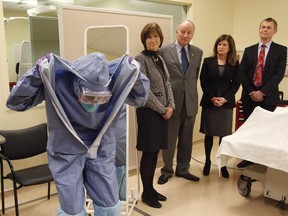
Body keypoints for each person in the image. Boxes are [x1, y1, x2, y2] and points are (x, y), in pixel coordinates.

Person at [6, 52, 150, 216]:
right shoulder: (57, 81)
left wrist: (136, 75)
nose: (93, 103)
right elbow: (16, 103)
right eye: (88, 97)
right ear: (76, 85)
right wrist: (35, 75)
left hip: (100, 149)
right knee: (71, 209)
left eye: (100, 98)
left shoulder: (113, 82)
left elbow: (140, 98)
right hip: (66, 150)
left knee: (109, 204)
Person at [237, 17, 287, 169]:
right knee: (249, 130)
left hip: (268, 98)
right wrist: (252, 91)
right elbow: (242, 73)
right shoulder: (249, 50)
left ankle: (264, 161)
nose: (265, 30)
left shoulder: (281, 50)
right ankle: (248, 158)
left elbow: (278, 74)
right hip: (249, 97)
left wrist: (263, 92)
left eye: (268, 27)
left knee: (266, 131)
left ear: (275, 31)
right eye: (263, 27)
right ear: (259, 29)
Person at [157, 20, 203, 185]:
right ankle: (167, 170)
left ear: (192, 34)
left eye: (189, 32)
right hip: (171, 104)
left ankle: (183, 168)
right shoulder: (163, 51)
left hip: (190, 103)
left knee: (186, 138)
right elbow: (160, 78)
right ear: (176, 32)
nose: (185, 35)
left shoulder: (197, 53)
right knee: (169, 139)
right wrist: (164, 103)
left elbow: (193, 78)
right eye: (182, 31)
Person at [135, 22, 175, 208]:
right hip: (149, 112)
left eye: (156, 36)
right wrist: (162, 109)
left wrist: (171, 105)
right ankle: (146, 193)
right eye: (149, 37)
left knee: (155, 153)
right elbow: (143, 90)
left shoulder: (159, 57)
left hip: (162, 112)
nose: (153, 40)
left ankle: (151, 190)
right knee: (149, 154)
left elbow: (167, 84)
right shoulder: (140, 59)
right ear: (144, 39)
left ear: (160, 39)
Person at [199, 34, 240, 178]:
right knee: (209, 134)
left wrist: (225, 98)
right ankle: (208, 162)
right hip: (210, 103)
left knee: (224, 136)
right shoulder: (208, 61)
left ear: (230, 48)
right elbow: (203, 81)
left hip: (226, 104)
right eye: (219, 44)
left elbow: (236, 83)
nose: (220, 47)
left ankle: (222, 165)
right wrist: (212, 97)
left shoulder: (234, 64)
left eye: (224, 45)